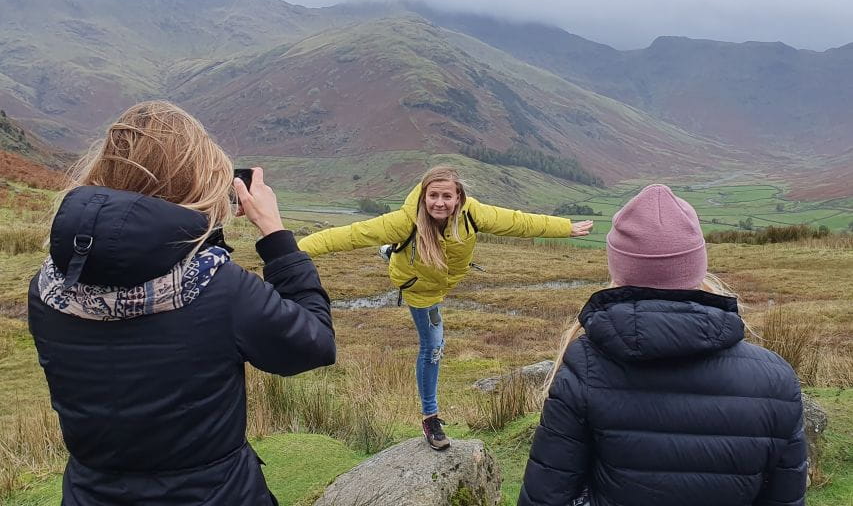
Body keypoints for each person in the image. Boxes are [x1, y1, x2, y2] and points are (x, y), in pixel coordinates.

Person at [28, 101, 336, 506]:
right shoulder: (221, 288)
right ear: (197, 180)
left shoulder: (49, 287)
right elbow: (314, 344)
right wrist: (275, 234)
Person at [518, 184, 807, 506]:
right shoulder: (775, 376)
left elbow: (548, 493)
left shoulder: (585, 365)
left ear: (619, 270)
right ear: (697, 266)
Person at [298, 165, 593, 450]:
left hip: (441, 276)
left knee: (397, 253)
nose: (439, 203)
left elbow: (518, 222)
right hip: (420, 289)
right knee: (433, 347)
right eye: (433, 196)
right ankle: (431, 418)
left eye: (446, 196)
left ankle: (389, 251)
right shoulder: (405, 221)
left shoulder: (473, 214)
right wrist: (292, 251)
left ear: (458, 197)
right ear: (424, 196)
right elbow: (351, 234)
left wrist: (565, 228)